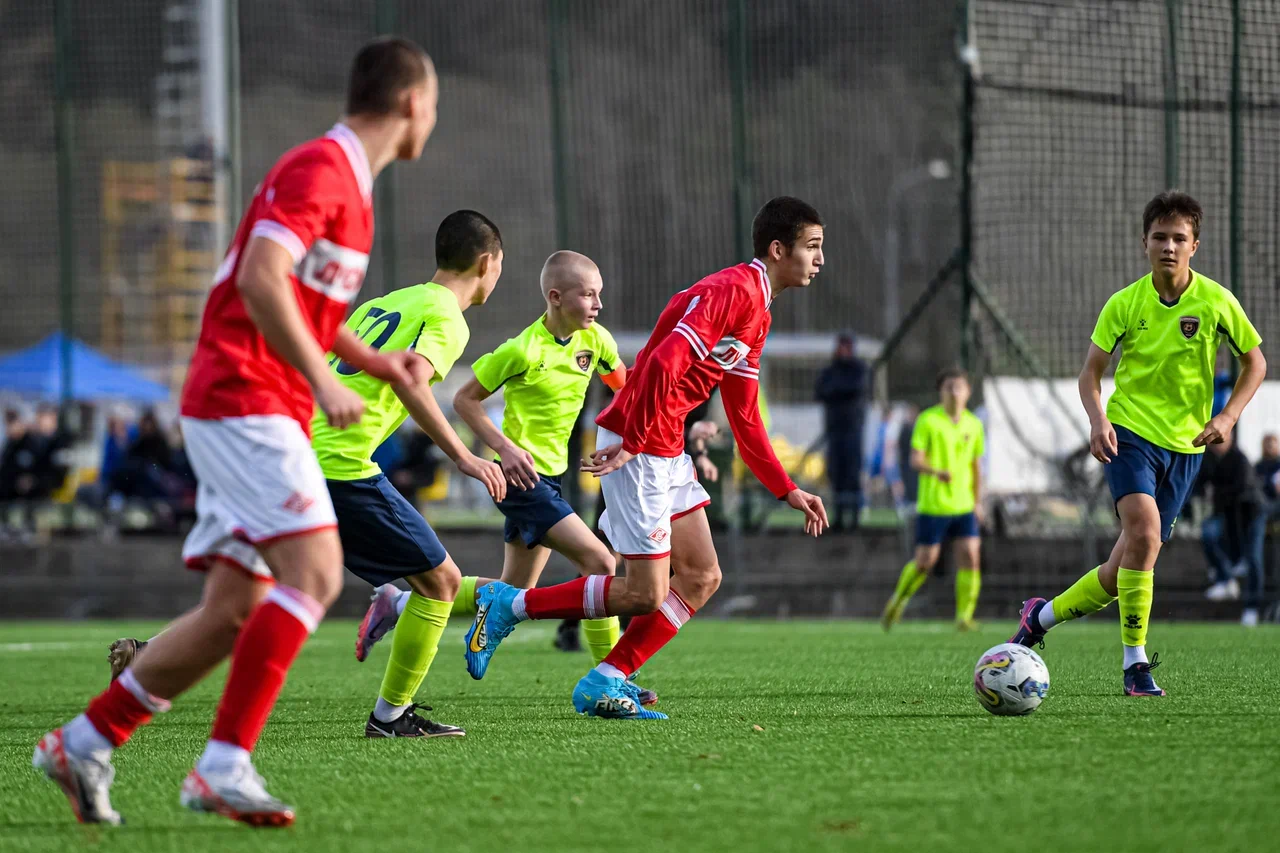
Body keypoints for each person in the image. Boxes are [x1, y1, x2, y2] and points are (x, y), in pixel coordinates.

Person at [34, 37, 439, 827]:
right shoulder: (323, 169)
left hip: (259, 401)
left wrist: (374, 362)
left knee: (232, 607)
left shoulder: (352, 189)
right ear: (411, 104)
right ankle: (223, 766)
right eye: (435, 105)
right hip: (243, 396)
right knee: (318, 573)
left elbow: (307, 308)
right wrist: (326, 381)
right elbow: (259, 276)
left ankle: (83, 742)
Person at [460, 196, 829, 720]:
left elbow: (744, 413)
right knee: (643, 594)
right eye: (812, 247)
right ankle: (511, 605)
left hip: (665, 447)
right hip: (642, 450)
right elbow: (662, 363)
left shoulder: (758, 309)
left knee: (701, 577)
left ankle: (604, 679)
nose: (819, 259)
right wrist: (634, 438)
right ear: (778, 249)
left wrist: (785, 487)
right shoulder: (732, 290)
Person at [1008, 191, 1266, 695]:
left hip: (1187, 448)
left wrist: (1229, 414)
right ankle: (1135, 664)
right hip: (1129, 434)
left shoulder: (1215, 300)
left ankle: (1041, 617)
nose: (1169, 246)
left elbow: (1256, 362)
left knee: (1123, 565)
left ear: (1195, 245)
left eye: (1179, 238)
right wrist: (1098, 419)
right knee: (1145, 535)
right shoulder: (1125, 303)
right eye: (1159, 237)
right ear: (1144, 243)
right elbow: (1091, 374)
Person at [880, 368, 985, 632]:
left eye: (959, 387)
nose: (954, 392)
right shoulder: (928, 420)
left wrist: (978, 501)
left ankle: (964, 616)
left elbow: (976, 466)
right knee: (925, 562)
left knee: (971, 556)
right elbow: (915, 459)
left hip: (963, 504)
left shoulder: (974, 424)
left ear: (968, 391)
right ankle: (898, 600)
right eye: (948, 387)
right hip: (934, 504)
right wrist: (937, 472)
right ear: (941, 391)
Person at [1198, 430, 1265, 625]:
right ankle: (1225, 579)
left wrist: (1216, 492)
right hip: (1227, 514)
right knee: (1208, 533)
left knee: (1253, 557)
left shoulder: (1240, 459)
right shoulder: (1208, 459)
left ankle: (1252, 607)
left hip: (1252, 514)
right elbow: (1199, 483)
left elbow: (1241, 489)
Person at [815, 332, 867, 531]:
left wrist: (835, 391)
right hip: (834, 430)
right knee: (836, 474)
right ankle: (838, 517)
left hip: (853, 431)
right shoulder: (830, 371)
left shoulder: (858, 369)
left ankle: (854, 519)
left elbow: (854, 388)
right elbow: (820, 391)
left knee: (852, 474)